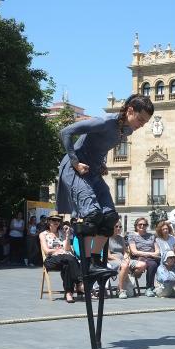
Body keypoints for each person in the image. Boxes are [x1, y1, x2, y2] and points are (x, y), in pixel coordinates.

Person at [56, 94, 154, 277]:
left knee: (109, 217)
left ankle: (95, 261)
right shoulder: (104, 122)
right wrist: (75, 162)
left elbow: (98, 146)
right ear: (130, 110)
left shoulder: (126, 130)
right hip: (74, 168)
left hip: (92, 171)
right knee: (93, 215)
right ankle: (85, 264)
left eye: (145, 122)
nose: (141, 125)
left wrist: (101, 164)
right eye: (140, 119)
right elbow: (65, 132)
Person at [39, 211, 82, 303]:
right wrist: (57, 251)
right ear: (49, 221)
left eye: (58, 220)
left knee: (67, 264)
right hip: (51, 259)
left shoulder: (62, 232)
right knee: (70, 258)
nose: (56, 222)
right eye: (54, 220)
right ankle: (79, 282)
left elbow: (67, 249)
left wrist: (67, 236)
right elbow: (46, 250)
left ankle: (68, 293)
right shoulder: (43, 234)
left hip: (65, 258)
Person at [107, 223, 146, 299]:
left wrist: (126, 258)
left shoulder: (121, 238)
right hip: (113, 260)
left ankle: (126, 280)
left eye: (120, 227)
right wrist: (121, 260)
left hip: (123, 259)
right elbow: (108, 255)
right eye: (116, 226)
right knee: (125, 266)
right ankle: (121, 290)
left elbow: (125, 252)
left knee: (143, 265)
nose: (118, 228)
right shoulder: (107, 238)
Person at [128, 217, 160, 297]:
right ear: (136, 225)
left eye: (144, 224)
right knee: (153, 264)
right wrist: (149, 254)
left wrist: (152, 254)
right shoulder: (132, 235)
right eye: (140, 224)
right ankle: (149, 287)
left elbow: (157, 251)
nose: (142, 226)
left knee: (165, 263)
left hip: (151, 257)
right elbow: (134, 251)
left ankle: (164, 286)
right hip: (139, 258)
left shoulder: (152, 236)